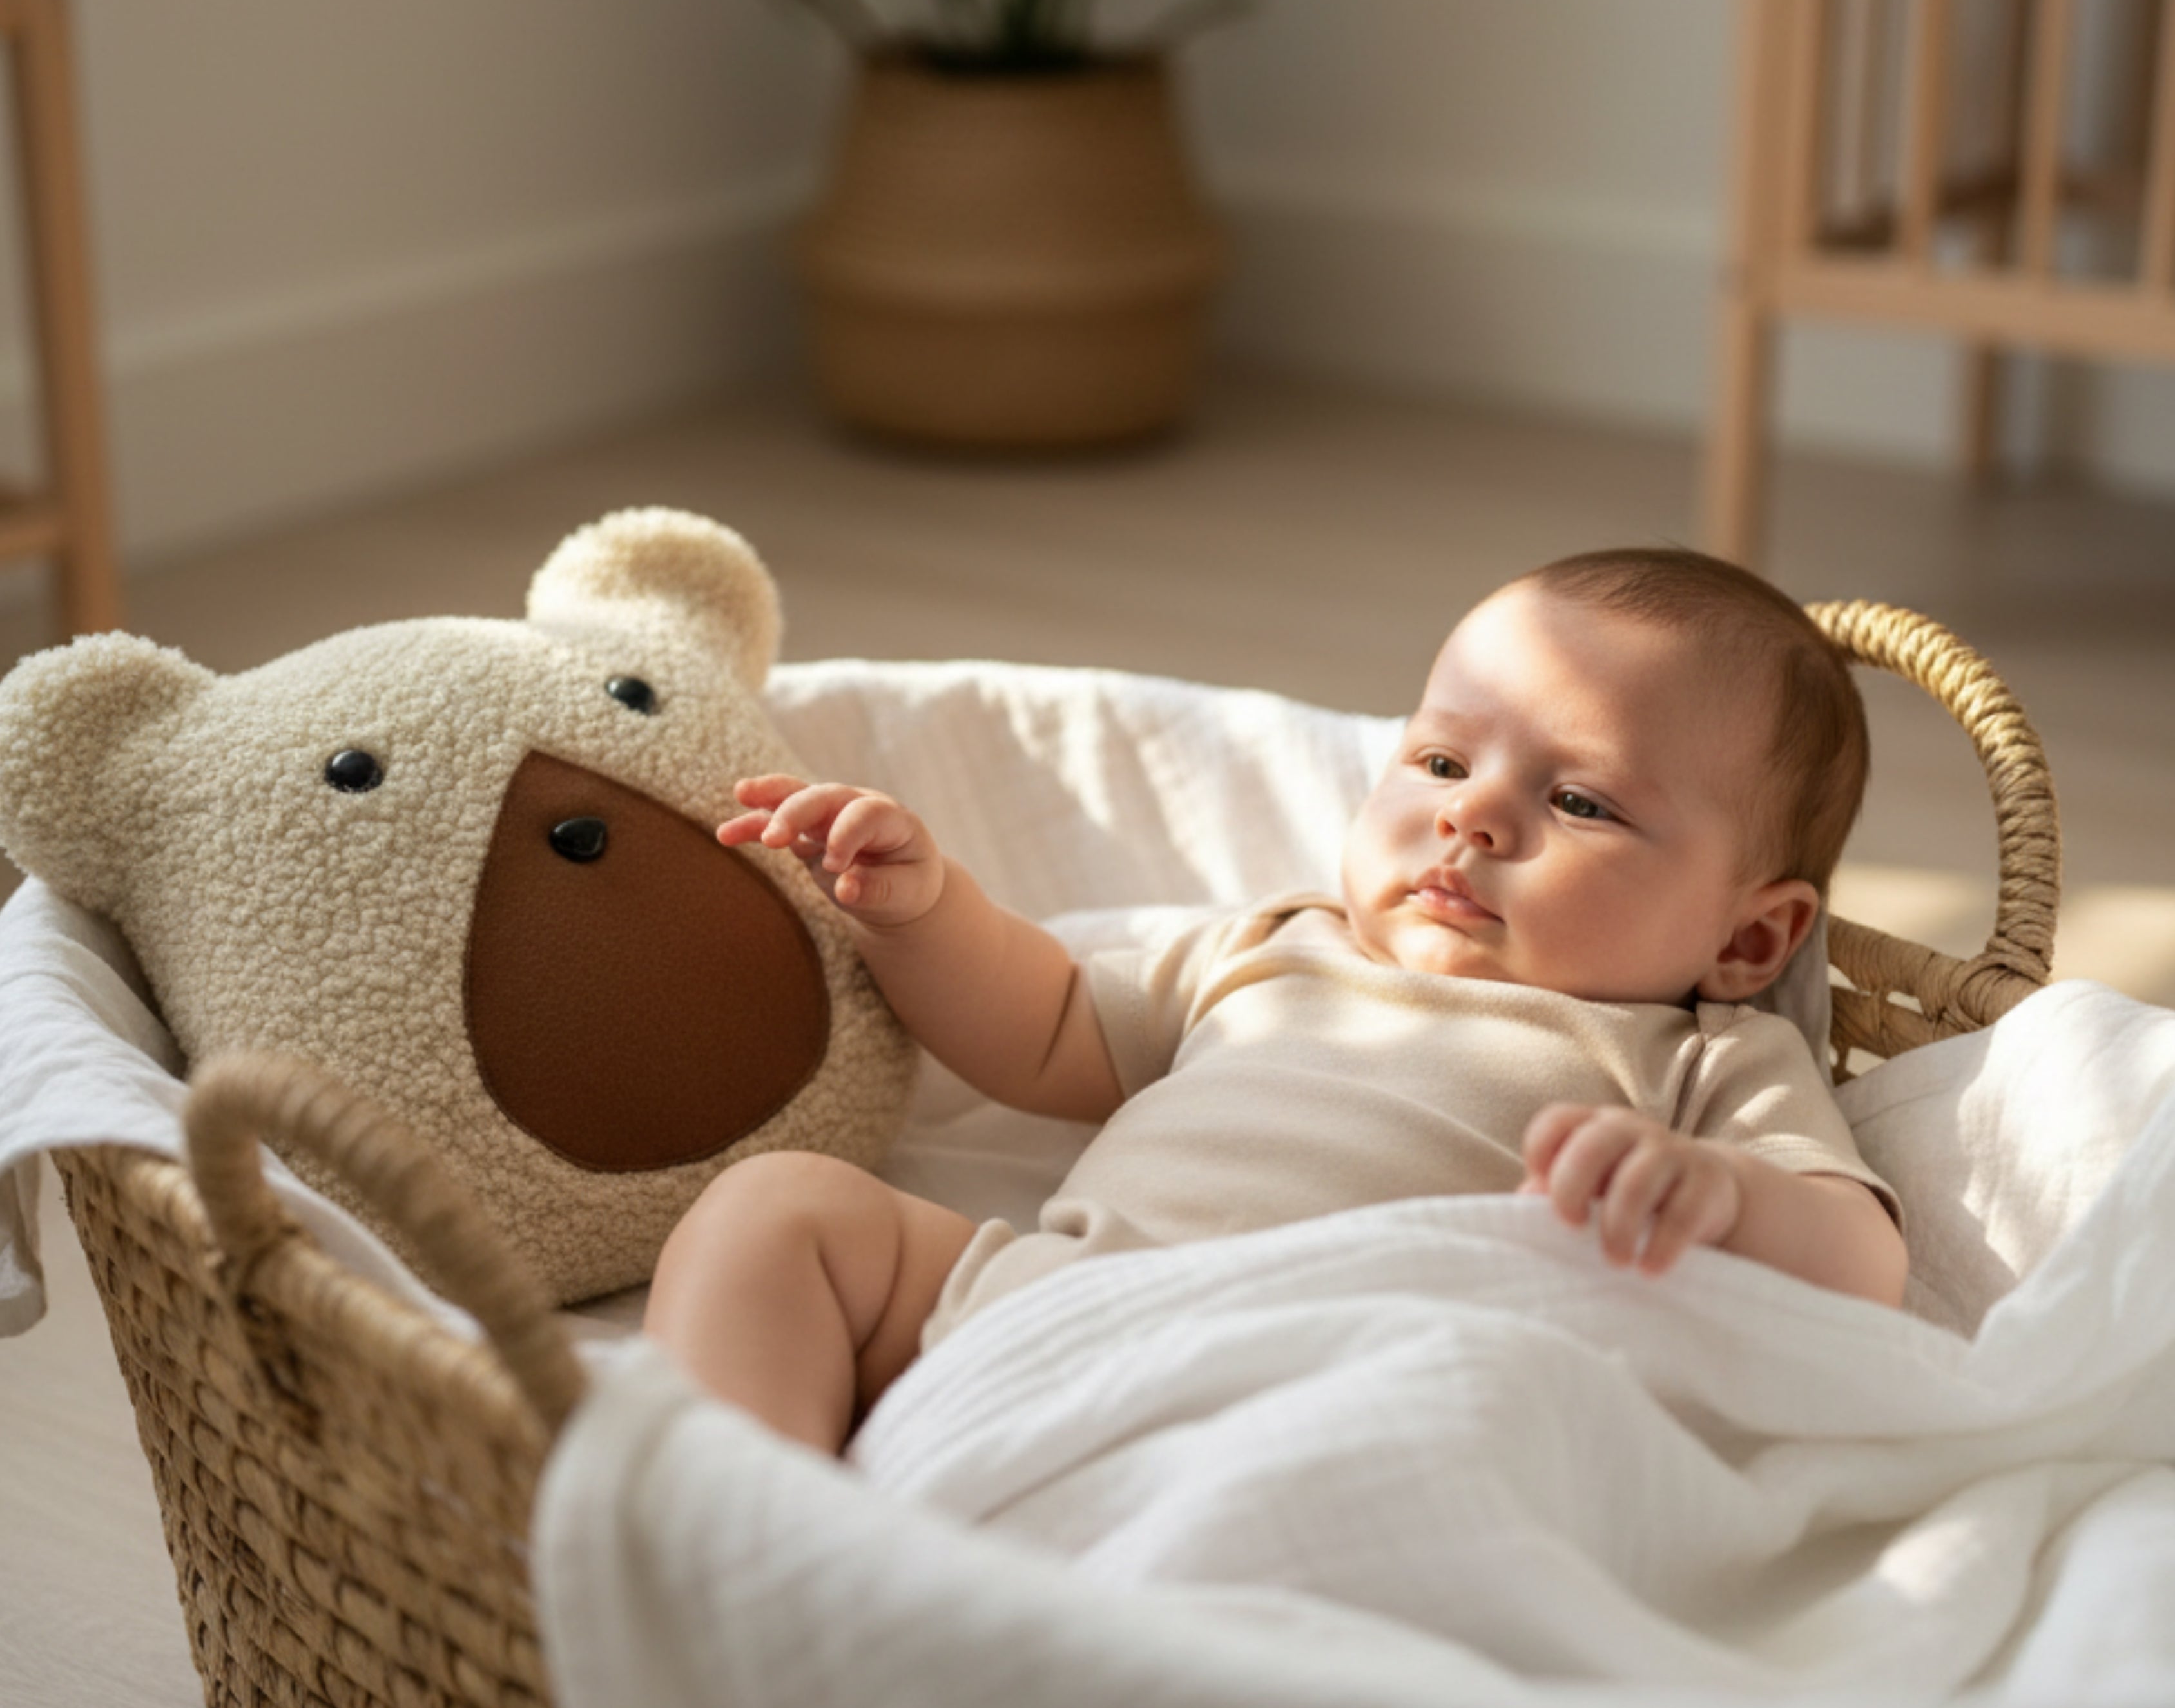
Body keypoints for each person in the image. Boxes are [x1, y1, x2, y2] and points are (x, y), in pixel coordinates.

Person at [644, 547, 1908, 1454]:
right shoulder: (1277, 945)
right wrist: (922, 912)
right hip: (1050, 1312)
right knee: (776, 1209)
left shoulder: (1699, 1056)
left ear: (1749, 937)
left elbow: (1859, 1266)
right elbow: (1045, 1027)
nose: (1470, 813)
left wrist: (1721, 1198)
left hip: (1346, 1387)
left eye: (1579, 801)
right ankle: (731, 1527)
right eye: (1440, 759)